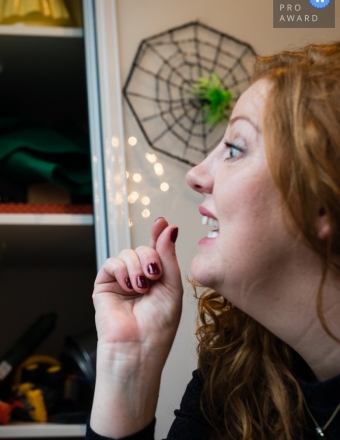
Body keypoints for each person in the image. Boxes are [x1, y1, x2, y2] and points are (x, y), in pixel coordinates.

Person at [87, 41, 340, 440]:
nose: (196, 174)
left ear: (323, 201)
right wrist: (130, 362)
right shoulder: (236, 371)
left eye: (235, 148)